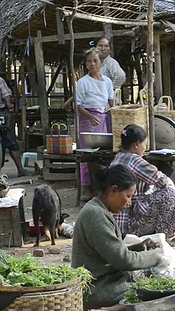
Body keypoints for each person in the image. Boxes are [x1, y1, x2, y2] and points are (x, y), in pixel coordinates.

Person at [71, 164, 165, 310]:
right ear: (113, 190)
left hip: (105, 282)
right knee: (156, 297)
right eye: (128, 196)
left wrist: (139, 248)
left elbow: (108, 250)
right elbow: (123, 260)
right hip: (97, 290)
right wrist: (156, 256)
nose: (129, 203)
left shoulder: (101, 211)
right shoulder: (94, 215)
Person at [110, 124, 175, 236]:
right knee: (170, 192)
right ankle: (167, 234)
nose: (145, 148)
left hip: (118, 222)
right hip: (130, 223)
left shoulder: (118, 157)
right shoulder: (135, 160)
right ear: (137, 144)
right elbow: (163, 181)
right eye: (144, 144)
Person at [76, 48, 114, 200]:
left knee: (103, 154)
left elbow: (111, 102)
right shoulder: (83, 82)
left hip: (103, 118)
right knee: (86, 154)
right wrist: (90, 116)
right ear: (85, 65)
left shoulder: (107, 82)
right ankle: (86, 188)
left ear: (101, 62)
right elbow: (78, 105)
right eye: (89, 61)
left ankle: (102, 187)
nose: (92, 64)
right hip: (87, 120)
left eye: (95, 61)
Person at [96, 36, 125, 133]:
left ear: (109, 49)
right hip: (99, 105)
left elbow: (121, 76)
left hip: (109, 106)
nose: (103, 48)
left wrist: (110, 90)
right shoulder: (98, 63)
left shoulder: (111, 63)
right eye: (100, 46)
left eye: (106, 46)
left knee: (109, 131)